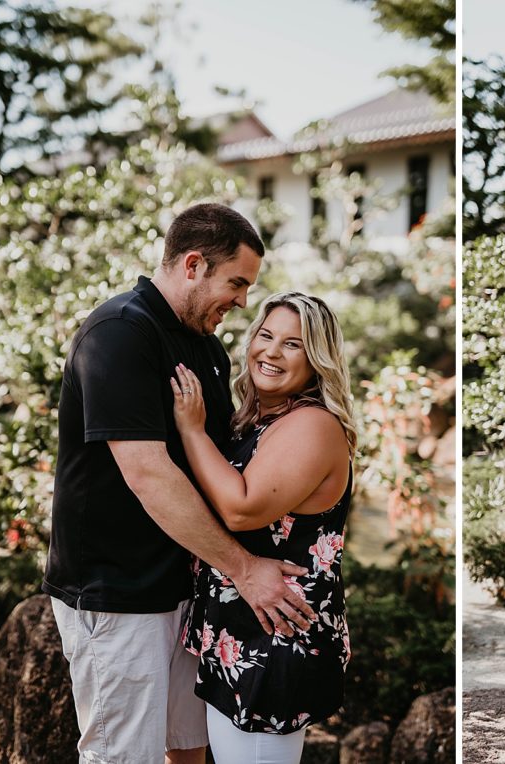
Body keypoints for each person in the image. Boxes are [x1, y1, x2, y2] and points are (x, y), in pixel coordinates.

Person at [42, 203, 316, 764]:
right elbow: (149, 474)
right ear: (193, 264)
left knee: (188, 750)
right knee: (123, 757)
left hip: (185, 589)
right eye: (237, 283)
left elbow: (225, 458)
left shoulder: (205, 346)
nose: (242, 301)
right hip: (118, 595)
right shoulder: (119, 333)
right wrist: (246, 570)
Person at [171, 292, 356, 764]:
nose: (271, 352)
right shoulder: (259, 421)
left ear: (317, 361)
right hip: (237, 630)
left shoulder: (313, 424)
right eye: (265, 335)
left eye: (292, 344)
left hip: (273, 638)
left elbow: (241, 509)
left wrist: (192, 432)